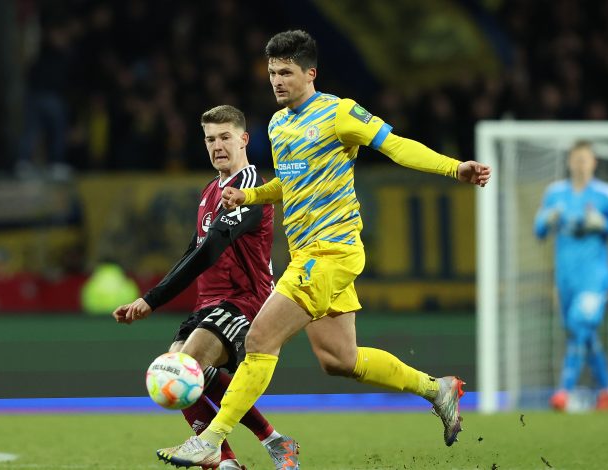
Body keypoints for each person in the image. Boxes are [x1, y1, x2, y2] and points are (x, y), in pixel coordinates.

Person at [157, 30, 492, 468]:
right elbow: (288, 185)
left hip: (331, 250)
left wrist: (455, 168)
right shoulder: (278, 124)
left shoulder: (340, 113)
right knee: (340, 359)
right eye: (272, 72)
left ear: (310, 73)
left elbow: (396, 147)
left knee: (260, 338)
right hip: (306, 255)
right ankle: (438, 388)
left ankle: (212, 440)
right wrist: (251, 196)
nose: (277, 81)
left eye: (286, 73)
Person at [112, 105, 298, 469]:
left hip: (246, 301)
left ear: (244, 139)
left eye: (225, 137)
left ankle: (221, 454)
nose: (217, 146)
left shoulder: (252, 189)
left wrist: (152, 300)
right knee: (175, 378)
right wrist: (150, 298)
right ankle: (257, 449)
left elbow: (211, 250)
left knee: (181, 368)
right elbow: (194, 249)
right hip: (208, 303)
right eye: (210, 139)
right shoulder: (211, 189)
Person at [534, 140, 608, 411]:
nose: (580, 164)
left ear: (594, 162)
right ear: (569, 161)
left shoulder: (606, 193)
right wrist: (548, 219)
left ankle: (563, 392)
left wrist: (604, 223)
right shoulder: (555, 193)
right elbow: (538, 230)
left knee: (579, 326)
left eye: (585, 159)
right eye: (576, 159)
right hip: (565, 280)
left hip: (594, 278)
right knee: (582, 334)